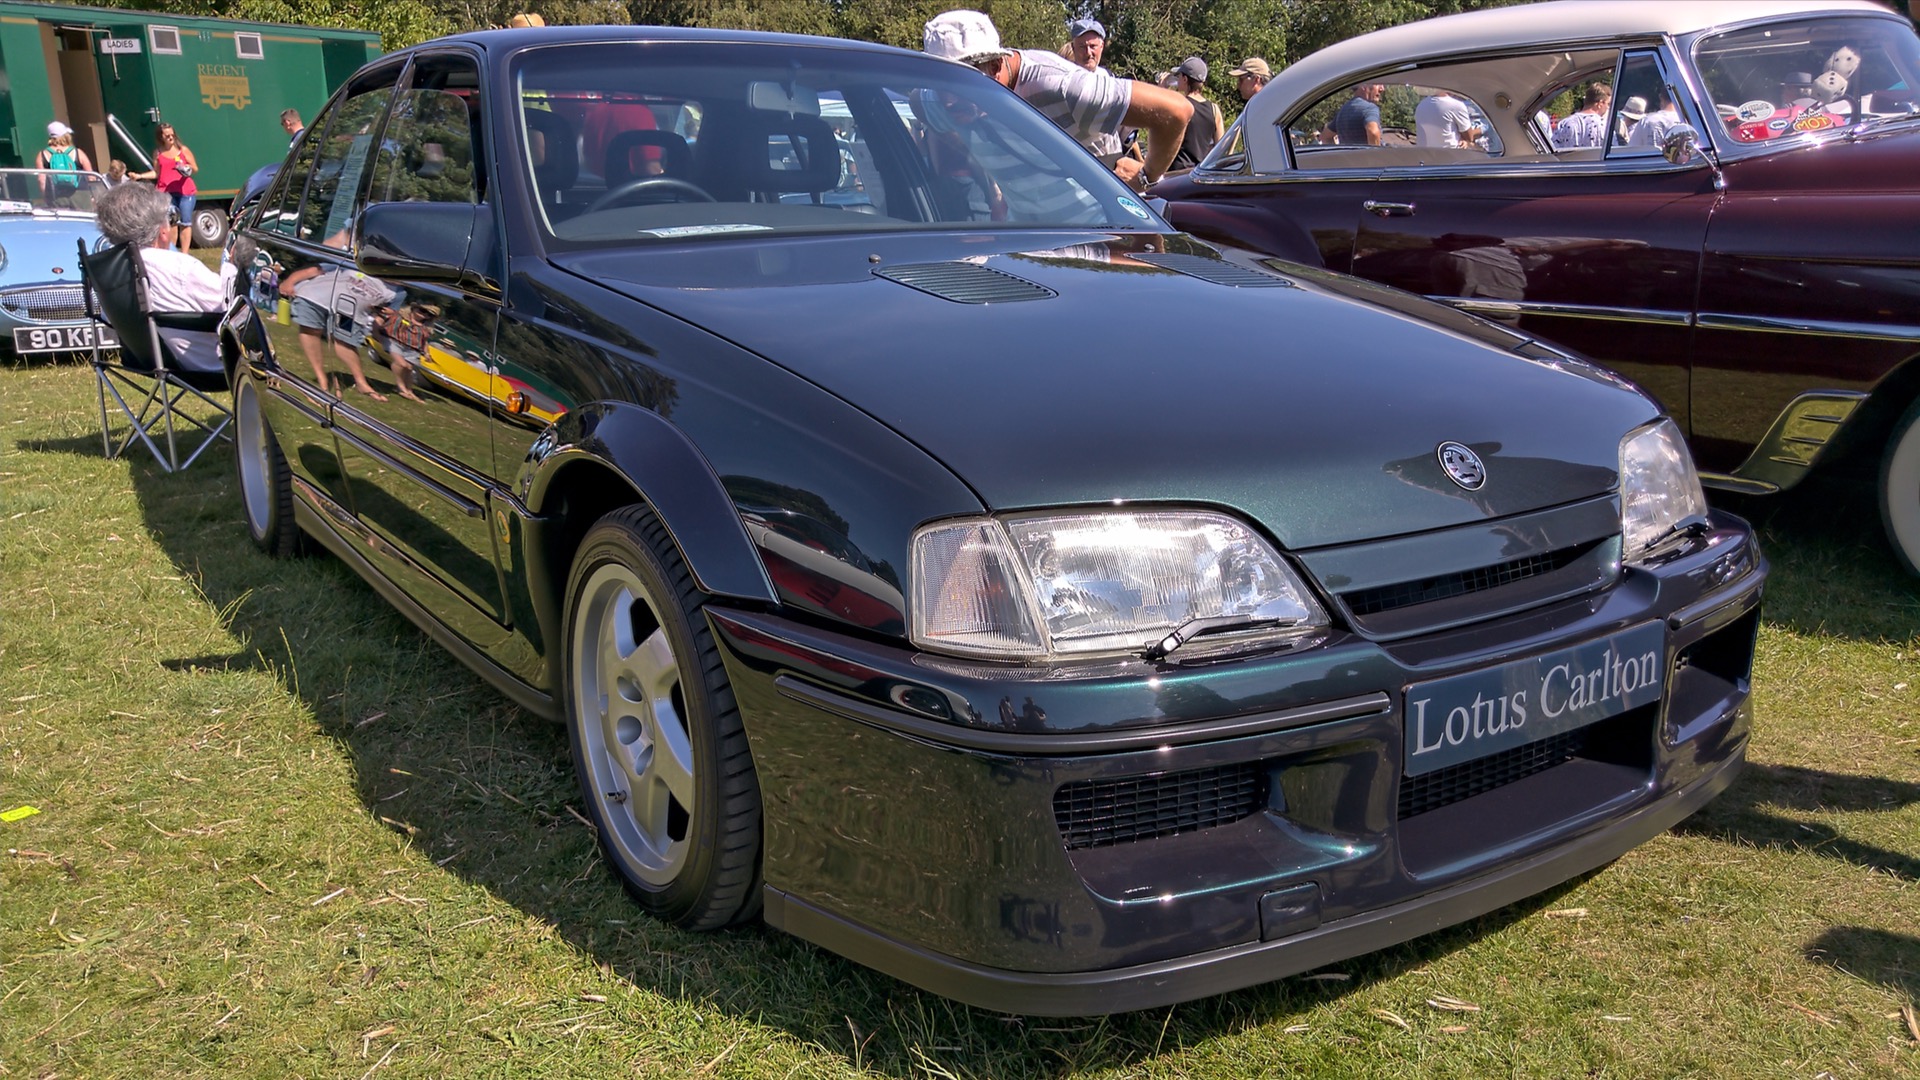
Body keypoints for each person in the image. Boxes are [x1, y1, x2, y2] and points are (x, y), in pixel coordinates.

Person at [923, 9, 1191, 191]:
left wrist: (1146, 176)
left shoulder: (1064, 86)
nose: (946, 103)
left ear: (994, 65)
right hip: (1027, 240)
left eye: (959, 91)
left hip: (1096, 236)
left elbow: (1175, 110)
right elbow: (922, 107)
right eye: (939, 86)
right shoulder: (939, 98)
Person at [92, 182, 224, 370]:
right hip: (208, 364)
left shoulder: (109, 270)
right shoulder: (181, 267)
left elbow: (107, 317)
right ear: (162, 230)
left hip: (144, 360)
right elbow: (232, 308)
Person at [277, 229, 394, 401]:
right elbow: (314, 270)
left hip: (349, 311)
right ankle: (322, 380)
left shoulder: (396, 288)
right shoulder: (352, 256)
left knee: (346, 343)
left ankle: (361, 383)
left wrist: (382, 314)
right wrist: (290, 281)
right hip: (314, 297)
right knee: (311, 331)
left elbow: (387, 311)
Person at [1060, 17, 1124, 161]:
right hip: (1083, 161)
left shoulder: (1108, 76)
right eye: (1082, 46)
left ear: (1102, 46)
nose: (1088, 53)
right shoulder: (1066, 80)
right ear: (1073, 47)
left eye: (1093, 46)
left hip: (1113, 156)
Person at [130, 123, 197, 252]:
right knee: (170, 223)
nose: (171, 138)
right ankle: (171, 252)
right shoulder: (158, 152)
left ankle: (184, 254)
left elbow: (195, 168)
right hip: (166, 193)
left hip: (185, 192)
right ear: (161, 137)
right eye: (167, 136)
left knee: (185, 222)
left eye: (172, 135)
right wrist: (139, 176)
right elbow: (156, 173)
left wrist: (185, 168)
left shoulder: (183, 150)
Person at [1169, 57, 1221, 171]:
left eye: (1179, 76)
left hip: (1175, 173)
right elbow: (1220, 149)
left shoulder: (1180, 104)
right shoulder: (1214, 109)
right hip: (1198, 174)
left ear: (1185, 79)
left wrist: (1161, 87)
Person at [35, 121, 94, 203]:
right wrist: (92, 195)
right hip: (81, 196)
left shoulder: (42, 155)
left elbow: (41, 180)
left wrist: (46, 198)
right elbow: (91, 176)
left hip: (56, 197)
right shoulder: (78, 152)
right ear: (65, 136)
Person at [1552, 83, 1612, 149]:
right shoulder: (1605, 126)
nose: (1608, 107)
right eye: (1608, 104)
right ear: (1600, 103)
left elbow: (1553, 149)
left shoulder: (1564, 124)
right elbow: (1614, 152)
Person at [1415, 90, 1483, 147]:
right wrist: (1482, 129)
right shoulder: (1456, 105)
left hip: (1425, 157)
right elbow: (1469, 137)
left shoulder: (1421, 104)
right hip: (1451, 156)